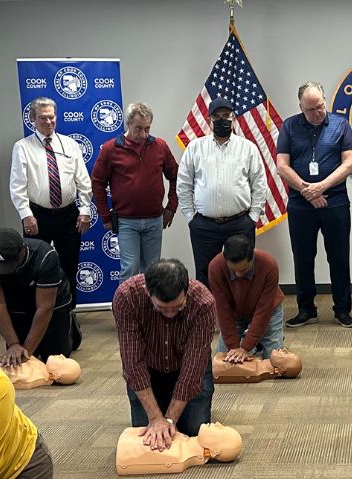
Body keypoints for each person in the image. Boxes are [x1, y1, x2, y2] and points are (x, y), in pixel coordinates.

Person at [275, 81, 352, 329]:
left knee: (339, 257)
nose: (317, 113)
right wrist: (307, 190)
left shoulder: (340, 124)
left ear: (325, 101)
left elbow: (348, 164)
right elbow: (282, 165)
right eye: (310, 109)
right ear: (300, 107)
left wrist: (321, 187)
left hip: (335, 204)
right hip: (301, 206)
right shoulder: (289, 126)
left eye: (320, 106)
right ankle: (306, 309)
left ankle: (342, 310)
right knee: (303, 257)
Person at [112, 259, 216, 451]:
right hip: (148, 366)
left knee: (193, 430)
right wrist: (154, 418)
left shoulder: (203, 302)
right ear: (148, 293)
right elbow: (132, 364)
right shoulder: (127, 297)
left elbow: (193, 368)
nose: (170, 314)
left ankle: (174, 406)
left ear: (186, 291)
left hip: (187, 364)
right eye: (161, 308)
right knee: (146, 436)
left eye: (177, 308)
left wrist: (168, 419)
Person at [8, 97, 92, 311]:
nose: (49, 122)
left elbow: (83, 181)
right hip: (37, 216)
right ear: (33, 120)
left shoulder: (70, 145)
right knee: (34, 267)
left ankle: (68, 313)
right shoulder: (22, 147)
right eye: (43, 118)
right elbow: (17, 186)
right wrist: (26, 215)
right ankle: (37, 314)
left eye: (52, 117)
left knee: (69, 266)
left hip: (68, 216)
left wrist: (84, 210)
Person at [177, 98, 268, 287]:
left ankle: (241, 316)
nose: (221, 120)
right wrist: (191, 217)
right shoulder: (195, 147)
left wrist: (253, 217)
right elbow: (184, 184)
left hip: (240, 224)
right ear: (209, 120)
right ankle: (207, 316)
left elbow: (259, 184)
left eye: (226, 116)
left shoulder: (247, 147)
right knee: (205, 274)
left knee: (242, 274)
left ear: (233, 118)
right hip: (203, 225)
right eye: (216, 117)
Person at [90, 101, 178, 280]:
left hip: (155, 220)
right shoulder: (110, 149)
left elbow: (176, 176)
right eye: (139, 128)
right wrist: (105, 216)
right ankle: (127, 308)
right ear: (128, 124)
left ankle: (151, 308)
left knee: (153, 271)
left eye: (147, 128)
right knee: (130, 269)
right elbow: (98, 183)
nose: (144, 134)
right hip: (126, 221)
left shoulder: (160, 146)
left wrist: (171, 207)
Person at [0, 229, 73, 368]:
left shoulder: (45, 255)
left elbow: (45, 307)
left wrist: (26, 353)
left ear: (23, 251)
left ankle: (72, 329)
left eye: (10, 265)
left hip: (53, 302)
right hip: (16, 302)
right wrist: (14, 344)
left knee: (53, 358)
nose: (7, 271)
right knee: (14, 355)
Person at [208, 235, 285, 364]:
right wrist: (234, 347)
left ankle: (256, 341)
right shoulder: (216, 267)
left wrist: (245, 348)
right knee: (224, 360)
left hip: (269, 312)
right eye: (233, 270)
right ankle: (253, 341)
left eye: (243, 270)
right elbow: (223, 310)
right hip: (235, 313)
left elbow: (263, 310)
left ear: (252, 259)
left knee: (274, 362)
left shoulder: (269, 265)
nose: (238, 275)